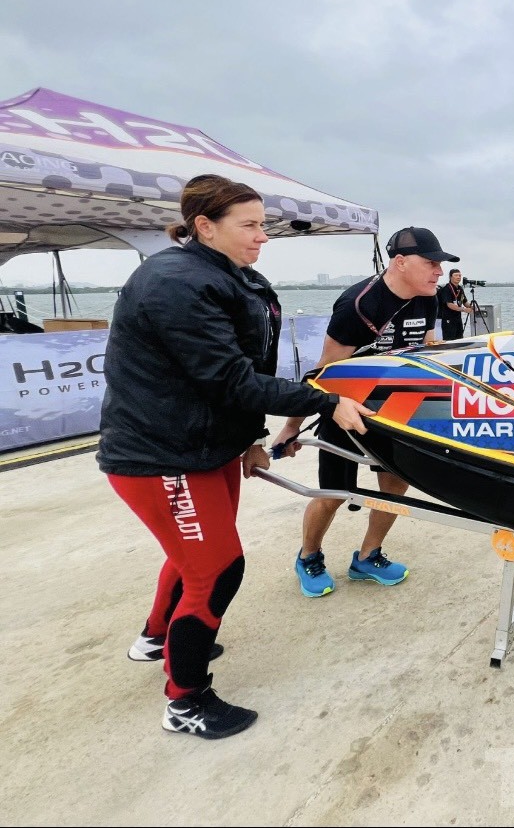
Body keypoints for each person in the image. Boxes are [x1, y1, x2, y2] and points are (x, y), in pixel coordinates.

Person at [99, 174, 373, 740]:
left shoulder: (228, 275)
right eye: (248, 225)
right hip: (161, 453)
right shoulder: (175, 283)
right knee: (218, 568)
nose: (261, 236)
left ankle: (156, 637)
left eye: (262, 224)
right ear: (204, 226)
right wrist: (324, 401)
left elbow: (239, 370)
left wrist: (249, 439)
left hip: (204, 444)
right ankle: (185, 701)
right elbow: (228, 377)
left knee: (192, 555)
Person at [271, 226, 459, 598]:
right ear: (401, 263)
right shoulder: (359, 305)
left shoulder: (428, 297)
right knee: (334, 492)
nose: (439, 271)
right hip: (345, 408)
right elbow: (321, 373)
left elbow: (425, 354)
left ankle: (368, 556)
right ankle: (309, 556)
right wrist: (290, 429)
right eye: (431, 263)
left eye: (441, 264)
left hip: (395, 409)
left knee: (394, 488)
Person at [437, 268, 471, 341]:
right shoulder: (446, 289)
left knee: (459, 338)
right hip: (448, 319)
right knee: (450, 340)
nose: (458, 277)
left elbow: (464, 302)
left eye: (459, 275)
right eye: (456, 275)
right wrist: (464, 310)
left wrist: (471, 306)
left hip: (458, 318)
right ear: (450, 277)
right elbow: (449, 304)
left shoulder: (460, 289)